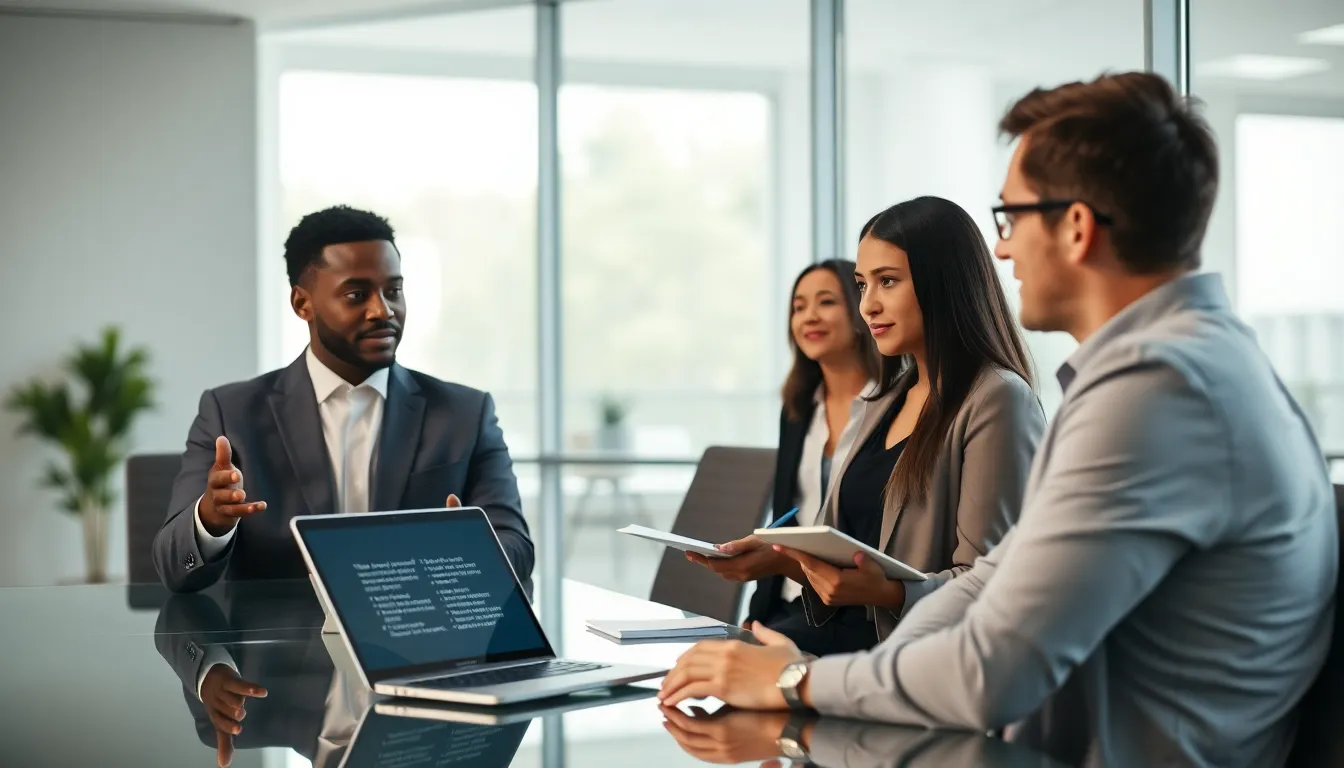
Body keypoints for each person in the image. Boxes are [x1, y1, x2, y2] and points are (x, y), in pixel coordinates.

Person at [657, 72, 1338, 768]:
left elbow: (991, 671)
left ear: (1075, 228)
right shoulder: (1175, 366)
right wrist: (815, 672)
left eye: (1010, 219)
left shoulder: (1163, 392)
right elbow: (990, 579)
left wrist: (798, 679)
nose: (1002, 250)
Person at [691, 198, 1044, 658]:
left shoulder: (996, 398)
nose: (868, 306)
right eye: (862, 285)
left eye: (888, 282)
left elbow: (993, 584)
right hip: (839, 648)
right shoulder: (884, 401)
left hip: (905, 663)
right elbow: (848, 558)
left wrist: (888, 593)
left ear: (944, 284)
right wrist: (785, 560)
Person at [152, 206, 534, 593]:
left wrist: (470, 552)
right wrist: (211, 522)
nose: (382, 311)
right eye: (357, 294)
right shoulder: (229, 413)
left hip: (420, 643)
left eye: (394, 291)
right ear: (303, 304)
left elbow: (517, 548)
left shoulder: (465, 414)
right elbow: (174, 568)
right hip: (279, 649)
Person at [690, 259, 880, 647]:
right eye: (798, 307)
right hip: (790, 604)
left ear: (860, 311)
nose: (809, 316)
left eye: (826, 302)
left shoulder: (893, 407)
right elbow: (783, 522)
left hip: (856, 610)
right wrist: (756, 616)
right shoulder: (798, 409)